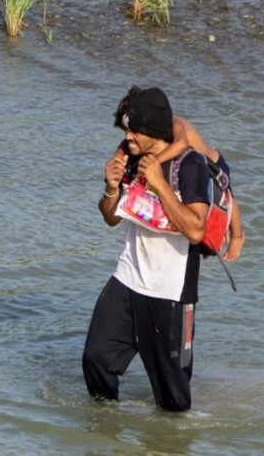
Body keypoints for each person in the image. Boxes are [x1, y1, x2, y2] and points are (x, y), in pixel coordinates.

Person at [83, 86, 212, 411]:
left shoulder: (190, 164)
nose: (127, 137)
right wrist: (111, 189)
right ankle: (105, 433)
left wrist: (159, 183)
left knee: (173, 403)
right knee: (96, 360)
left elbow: (196, 230)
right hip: (127, 281)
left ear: (153, 129)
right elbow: (111, 218)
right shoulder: (130, 158)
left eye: (133, 129)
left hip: (170, 295)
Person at [111, 90, 245, 261]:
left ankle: (238, 236)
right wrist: (117, 158)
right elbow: (124, 143)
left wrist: (154, 163)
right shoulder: (143, 133)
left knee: (228, 199)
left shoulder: (175, 122)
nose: (128, 135)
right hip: (194, 166)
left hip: (213, 164)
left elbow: (180, 144)